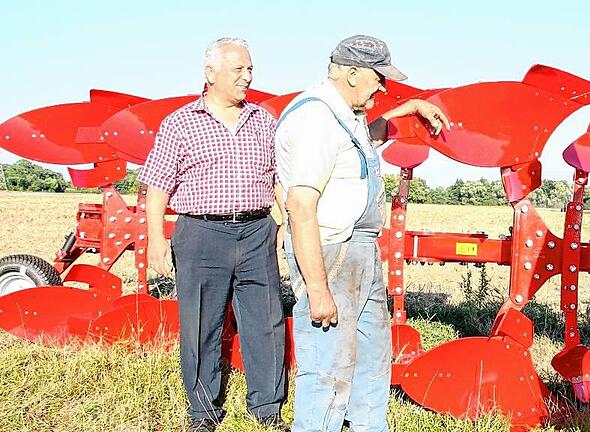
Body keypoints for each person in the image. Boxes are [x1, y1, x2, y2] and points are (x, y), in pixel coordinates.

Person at [275, 35, 449, 432]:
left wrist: (412, 108)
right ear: (352, 74)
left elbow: (367, 136)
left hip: (361, 251)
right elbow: (300, 206)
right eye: (378, 78)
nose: (383, 87)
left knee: (372, 357)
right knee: (328, 368)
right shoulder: (315, 119)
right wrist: (317, 290)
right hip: (331, 253)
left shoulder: (343, 115)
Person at [139, 37, 287, 432]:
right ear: (210, 73)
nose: (247, 77)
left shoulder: (263, 120)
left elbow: (277, 180)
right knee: (201, 323)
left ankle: (267, 410)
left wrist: (285, 223)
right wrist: (156, 239)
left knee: (266, 321)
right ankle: (203, 413)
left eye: (250, 69)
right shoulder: (181, 122)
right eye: (238, 69)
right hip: (201, 234)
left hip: (257, 230)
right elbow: (156, 186)